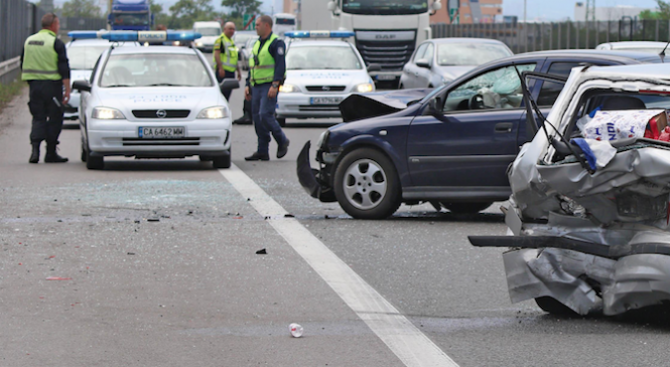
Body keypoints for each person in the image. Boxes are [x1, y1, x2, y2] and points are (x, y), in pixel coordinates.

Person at [21, 13, 70, 164]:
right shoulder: (55, 42)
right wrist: (67, 91)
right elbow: (64, 68)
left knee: (38, 117)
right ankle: (50, 153)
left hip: (35, 86)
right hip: (52, 87)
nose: (59, 27)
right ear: (53, 25)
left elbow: (23, 62)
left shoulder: (29, 41)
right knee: (55, 118)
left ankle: (35, 151)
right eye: (58, 24)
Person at [244, 15, 289, 161]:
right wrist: (247, 84)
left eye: (257, 25)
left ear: (267, 26)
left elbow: (280, 65)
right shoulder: (257, 43)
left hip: (269, 85)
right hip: (256, 85)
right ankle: (262, 150)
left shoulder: (276, 43)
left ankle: (282, 140)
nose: (255, 27)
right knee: (257, 118)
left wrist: (275, 84)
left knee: (265, 115)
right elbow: (253, 66)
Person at [213, 21, 242, 101]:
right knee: (222, 96)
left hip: (231, 73)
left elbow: (234, 58)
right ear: (224, 29)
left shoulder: (231, 41)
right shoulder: (220, 40)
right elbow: (217, 54)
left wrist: (238, 71)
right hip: (223, 72)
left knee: (227, 95)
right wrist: (220, 68)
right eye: (230, 29)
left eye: (233, 29)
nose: (232, 31)